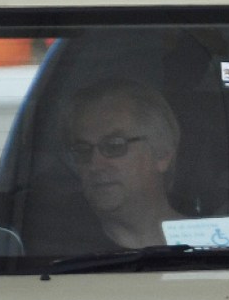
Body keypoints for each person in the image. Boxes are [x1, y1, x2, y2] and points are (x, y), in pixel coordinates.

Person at [64, 77, 185, 249]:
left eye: (114, 146)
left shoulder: (214, 245)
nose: (95, 165)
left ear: (162, 154)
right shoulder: (58, 253)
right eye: (82, 150)